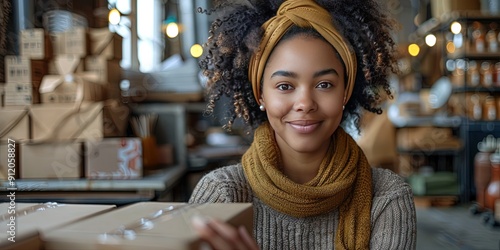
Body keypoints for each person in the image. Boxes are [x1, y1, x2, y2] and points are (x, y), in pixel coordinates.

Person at [189, 0, 417, 249]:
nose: (305, 103)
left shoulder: (386, 197)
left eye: (324, 85)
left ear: (345, 92)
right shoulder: (223, 194)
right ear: (261, 95)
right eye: (285, 86)